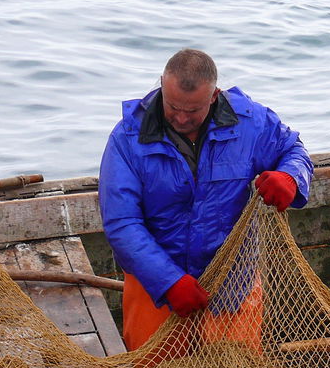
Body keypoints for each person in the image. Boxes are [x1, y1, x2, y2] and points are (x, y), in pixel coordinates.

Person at [98, 49, 313, 351]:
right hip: (155, 285)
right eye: (173, 107)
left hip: (233, 283)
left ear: (214, 96)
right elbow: (122, 223)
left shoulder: (250, 122)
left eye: (193, 110)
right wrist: (168, 281)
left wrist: (290, 178)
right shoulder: (127, 138)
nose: (182, 118)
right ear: (161, 84)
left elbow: (295, 152)